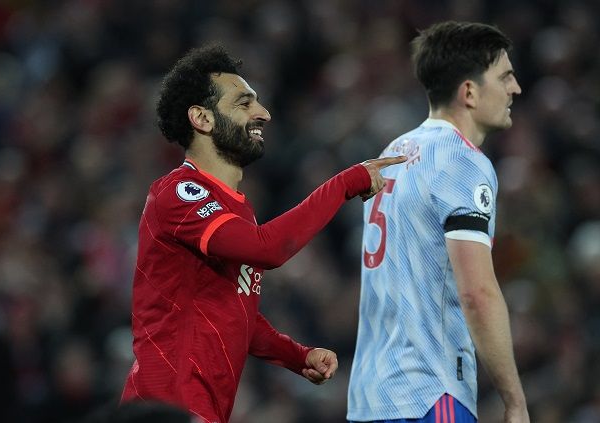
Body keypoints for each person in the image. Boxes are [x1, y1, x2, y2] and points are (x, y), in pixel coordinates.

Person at [119, 45, 405, 423]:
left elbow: (237, 316)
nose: (263, 113)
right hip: (165, 406)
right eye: (243, 103)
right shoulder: (178, 193)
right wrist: (344, 184)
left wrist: (296, 356)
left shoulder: (234, 209)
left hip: (200, 408)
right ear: (202, 118)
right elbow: (269, 249)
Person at [348, 22, 530, 423]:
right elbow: (477, 294)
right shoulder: (463, 163)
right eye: (505, 77)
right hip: (429, 393)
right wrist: (515, 401)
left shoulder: (392, 154)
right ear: (469, 92)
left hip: (369, 397)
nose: (515, 88)